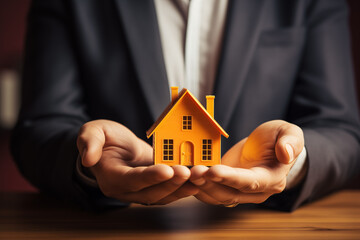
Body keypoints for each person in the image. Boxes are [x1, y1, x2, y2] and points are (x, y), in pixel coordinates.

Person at [11, 0, 360, 211]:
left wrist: (290, 161)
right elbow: (38, 129)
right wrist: (88, 163)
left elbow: (343, 133)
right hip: (121, 225)